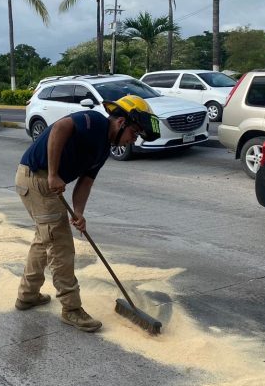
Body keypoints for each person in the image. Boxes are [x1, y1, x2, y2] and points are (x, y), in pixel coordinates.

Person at [14, 95, 160, 333]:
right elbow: (60, 128)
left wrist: (79, 213)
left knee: (44, 239)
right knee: (60, 245)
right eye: (134, 133)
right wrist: (53, 174)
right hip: (37, 178)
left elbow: (86, 182)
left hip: (40, 180)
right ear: (121, 121)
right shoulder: (94, 121)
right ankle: (71, 309)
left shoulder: (104, 149)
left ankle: (27, 295)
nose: (133, 140)